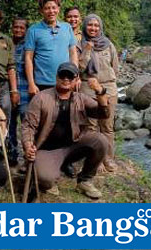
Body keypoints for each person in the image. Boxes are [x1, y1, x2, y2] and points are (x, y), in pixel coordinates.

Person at [21, 62, 109, 199]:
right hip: (47, 149)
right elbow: (28, 126)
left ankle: (85, 180)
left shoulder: (81, 98)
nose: (66, 79)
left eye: (70, 76)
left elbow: (103, 114)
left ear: (76, 80)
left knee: (101, 140)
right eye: (63, 75)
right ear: (56, 77)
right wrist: (28, 146)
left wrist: (100, 91)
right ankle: (45, 172)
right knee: (45, 179)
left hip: (72, 146)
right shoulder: (41, 98)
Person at [78, 14, 119, 172]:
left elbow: (115, 68)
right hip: (88, 87)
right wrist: (87, 50)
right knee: (91, 126)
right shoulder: (79, 44)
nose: (93, 28)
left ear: (100, 27)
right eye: (90, 25)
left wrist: (106, 82)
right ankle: (95, 159)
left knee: (107, 126)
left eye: (96, 26)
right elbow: (79, 68)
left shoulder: (109, 45)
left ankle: (108, 158)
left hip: (108, 88)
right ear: (85, 26)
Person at [24, 0, 78, 97]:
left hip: (65, 81)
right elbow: (28, 58)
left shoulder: (67, 28)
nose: (51, 11)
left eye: (54, 7)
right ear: (41, 11)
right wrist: (31, 83)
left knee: (64, 112)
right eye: (47, 8)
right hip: (41, 83)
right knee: (44, 112)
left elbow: (73, 54)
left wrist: (75, 76)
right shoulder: (33, 30)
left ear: (58, 9)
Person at [7, 17, 29, 164]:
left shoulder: (29, 45)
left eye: (22, 28)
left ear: (26, 30)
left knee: (27, 124)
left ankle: (29, 156)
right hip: (7, 90)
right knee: (9, 124)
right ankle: (12, 155)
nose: (18, 30)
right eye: (16, 27)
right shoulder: (6, 44)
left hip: (26, 90)